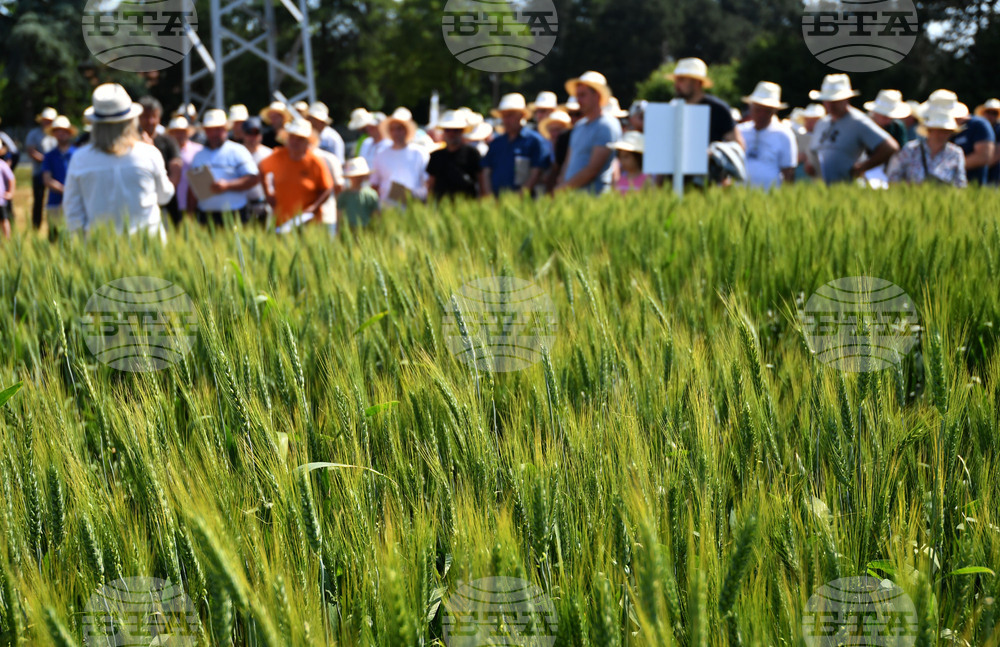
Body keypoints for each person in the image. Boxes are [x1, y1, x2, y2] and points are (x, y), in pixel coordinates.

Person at [63, 84, 174, 242]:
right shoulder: (149, 153)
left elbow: (72, 212)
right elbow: (164, 196)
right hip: (147, 245)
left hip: (100, 247)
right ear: (131, 120)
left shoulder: (79, 158)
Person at [808, 74, 898, 184]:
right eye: (827, 100)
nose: (830, 105)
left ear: (846, 99)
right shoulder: (821, 123)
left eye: (835, 100)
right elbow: (813, 153)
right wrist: (810, 166)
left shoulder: (858, 121)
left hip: (847, 187)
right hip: (821, 188)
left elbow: (890, 147)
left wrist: (862, 167)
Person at [257, 118, 333, 230]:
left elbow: (327, 188)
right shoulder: (278, 156)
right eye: (292, 137)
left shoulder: (315, 162)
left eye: (300, 139)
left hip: (308, 223)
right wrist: (268, 194)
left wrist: (314, 206)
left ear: (308, 142)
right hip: (281, 221)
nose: (295, 142)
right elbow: (261, 169)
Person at [188, 109, 260, 226]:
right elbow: (193, 188)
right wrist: (189, 216)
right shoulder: (198, 156)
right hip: (205, 216)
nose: (214, 134)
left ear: (225, 129)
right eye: (210, 130)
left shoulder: (238, 151)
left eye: (218, 129)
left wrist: (227, 185)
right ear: (205, 131)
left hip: (235, 214)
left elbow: (254, 178)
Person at [557, 71, 622, 194]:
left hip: (593, 199)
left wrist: (562, 189)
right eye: (577, 95)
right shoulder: (579, 126)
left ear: (597, 96)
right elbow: (568, 162)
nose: (578, 100)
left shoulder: (606, 125)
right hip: (572, 197)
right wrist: (562, 185)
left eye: (582, 95)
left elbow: (592, 170)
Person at [481, 93, 548, 197]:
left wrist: (518, 198)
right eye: (504, 115)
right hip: (496, 201)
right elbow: (486, 171)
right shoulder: (496, 143)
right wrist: (489, 197)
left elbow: (536, 173)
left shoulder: (534, 141)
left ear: (522, 115)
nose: (506, 120)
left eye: (510, 115)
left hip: (524, 202)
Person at [668, 58, 744, 147]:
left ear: (697, 82)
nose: (676, 85)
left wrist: (714, 151)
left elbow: (738, 145)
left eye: (681, 80)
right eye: (676, 80)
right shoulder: (673, 107)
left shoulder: (718, 109)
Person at [926, 90, 995, 186]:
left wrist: (946, 168)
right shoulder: (935, 128)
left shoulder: (978, 125)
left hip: (973, 188)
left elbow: (983, 157)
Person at [737, 82, 797, 190]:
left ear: (775, 111)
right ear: (750, 107)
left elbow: (788, 172)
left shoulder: (784, 134)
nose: (762, 115)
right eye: (758, 110)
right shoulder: (740, 130)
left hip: (771, 196)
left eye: (767, 111)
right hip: (739, 194)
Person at [887, 108, 966, 187]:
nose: (942, 135)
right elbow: (893, 177)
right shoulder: (910, 149)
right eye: (938, 130)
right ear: (929, 130)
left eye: (946, 131)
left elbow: (960, 183)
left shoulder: (956, 153)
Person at [370, 107, 429, 207]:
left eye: (399, 129)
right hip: (387, 209)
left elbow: (427, 183)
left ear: (406, 130)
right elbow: (375, 184)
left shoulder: (419, 153)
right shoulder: (381, 154)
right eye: (392, 129)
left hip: (412, 206)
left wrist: (412, 194)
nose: (395, 133)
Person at [138, 96, 182, 224]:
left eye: (154, 117)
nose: (150, 121)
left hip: (168, 203)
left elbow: (176, 171)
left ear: (159, 118)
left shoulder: (169, 141)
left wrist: (164, 192)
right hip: (141, 201)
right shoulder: (131, 142)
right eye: (145, 117)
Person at [426, 110, 481, 201]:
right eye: (447, 130)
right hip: (441, 206)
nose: (451, 134)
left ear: (462, 131)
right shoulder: (435, 156)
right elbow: (431, 185)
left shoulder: (472, 153)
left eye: (456, 130)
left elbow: (481, 182)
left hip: (467, 205)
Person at [40, 116, 78, 238]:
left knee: (73, 237)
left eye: (64, 131)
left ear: (69, 133)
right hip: (55, 201)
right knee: (54, 237)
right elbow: (47, 179)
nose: (61, 134)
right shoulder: (49, 156)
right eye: (57, 131)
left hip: (75, 201)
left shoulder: (78, 154)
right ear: (54, 134)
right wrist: (65, 190)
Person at [25, 106, 57, 229]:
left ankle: (53, 226)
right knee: (38, 200)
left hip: (54, 173)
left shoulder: (55, 134)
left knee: (54, 201)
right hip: (39, 172)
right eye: (46, 120)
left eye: (50, 120)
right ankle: (36, 227)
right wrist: (47, 160)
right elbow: (31, 151)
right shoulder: (34, 134)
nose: (47, 122)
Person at [166, 116, 203, 217]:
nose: (180, 135)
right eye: (176, 132)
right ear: (171, 134)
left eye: (182, 132)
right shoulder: (166, 151)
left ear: (188, 133)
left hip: (194, 201)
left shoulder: (198, 150)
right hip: (172, 201)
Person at [240, 116, 272, 222]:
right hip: (241, 208)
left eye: (256, 132)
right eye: (249, 133)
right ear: (243, 134)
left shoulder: (269, 154)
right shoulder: (236, 153)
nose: (253, 137)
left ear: (261, 134)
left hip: (264, 207)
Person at [339, 157, 380, 229]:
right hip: (348, 228)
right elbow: (339, 215)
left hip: (367, 229)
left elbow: (376, 216)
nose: (357, 179)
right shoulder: (344, 195)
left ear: (364, 176)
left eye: (359, 176)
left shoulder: (371, 195)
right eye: (354, 177)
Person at [539, 109, 572, 193]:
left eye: (558, 130)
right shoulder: (544, 148)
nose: (555, 134)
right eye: (552, 130)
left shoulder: (572, 149)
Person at [974, 99, 1000, 185]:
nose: (991, 115)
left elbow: (996, 155)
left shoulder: (999, 129)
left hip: (995, 176)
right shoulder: (979, 128)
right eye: (988, 112)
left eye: (994, 113)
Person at [0, 155, 13, 240]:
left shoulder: (2, 164)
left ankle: (7, 240)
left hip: (1, 200)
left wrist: (11, 192)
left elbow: (11, 178)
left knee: (4, 219)